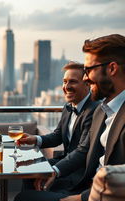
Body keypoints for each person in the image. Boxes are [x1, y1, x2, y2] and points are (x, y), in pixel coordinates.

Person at [12, 34, 125, 201]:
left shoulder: (97, 110)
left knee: (22, 200)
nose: (87, 78)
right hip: (89, 191)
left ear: (112, 68)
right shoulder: (102, 111)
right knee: (32, 176)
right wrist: (53, 172)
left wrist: (81, 199)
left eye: (89, 70)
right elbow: (83, 150)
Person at [19, 61, 99, 190]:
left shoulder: (94, 110)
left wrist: (54, 170)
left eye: (72, 81)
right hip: (65, 162)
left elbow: (82, 152)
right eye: (64, 81)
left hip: (79, 172)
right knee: (29, 171)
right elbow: (58, 136)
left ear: (87, 84)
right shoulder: (68, 106)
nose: (66, 86)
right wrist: (35, 139)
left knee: (25, 197)